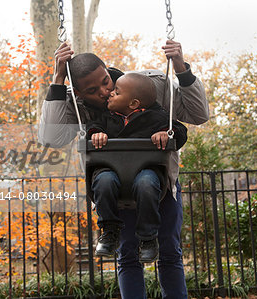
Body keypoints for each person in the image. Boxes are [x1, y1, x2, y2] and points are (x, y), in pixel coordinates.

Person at [39, 40, 209, 299]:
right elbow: (51, 138)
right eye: (93, 90)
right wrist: (58, 79)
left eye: (106, 81)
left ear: (107, 69)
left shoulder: (149, 87)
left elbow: (198, 115)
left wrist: (181, 68)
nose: (105, 92)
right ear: (79, 94)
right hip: (116, 192)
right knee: (127, 255)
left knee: (169, 252)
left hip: (160, 186)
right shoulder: (78, 107)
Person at [87, 72, 188, 263]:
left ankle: (148, 238)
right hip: (110, 170)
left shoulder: (156, 118)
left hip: (146, 171)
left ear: (133, 103)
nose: (110, 94)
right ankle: (109, 231)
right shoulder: (106, 118)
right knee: (103, 182)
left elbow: (180, 130)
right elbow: (91, 128)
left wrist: (167, 133)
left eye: (116, 92)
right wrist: (96, 134)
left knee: (147, 184)